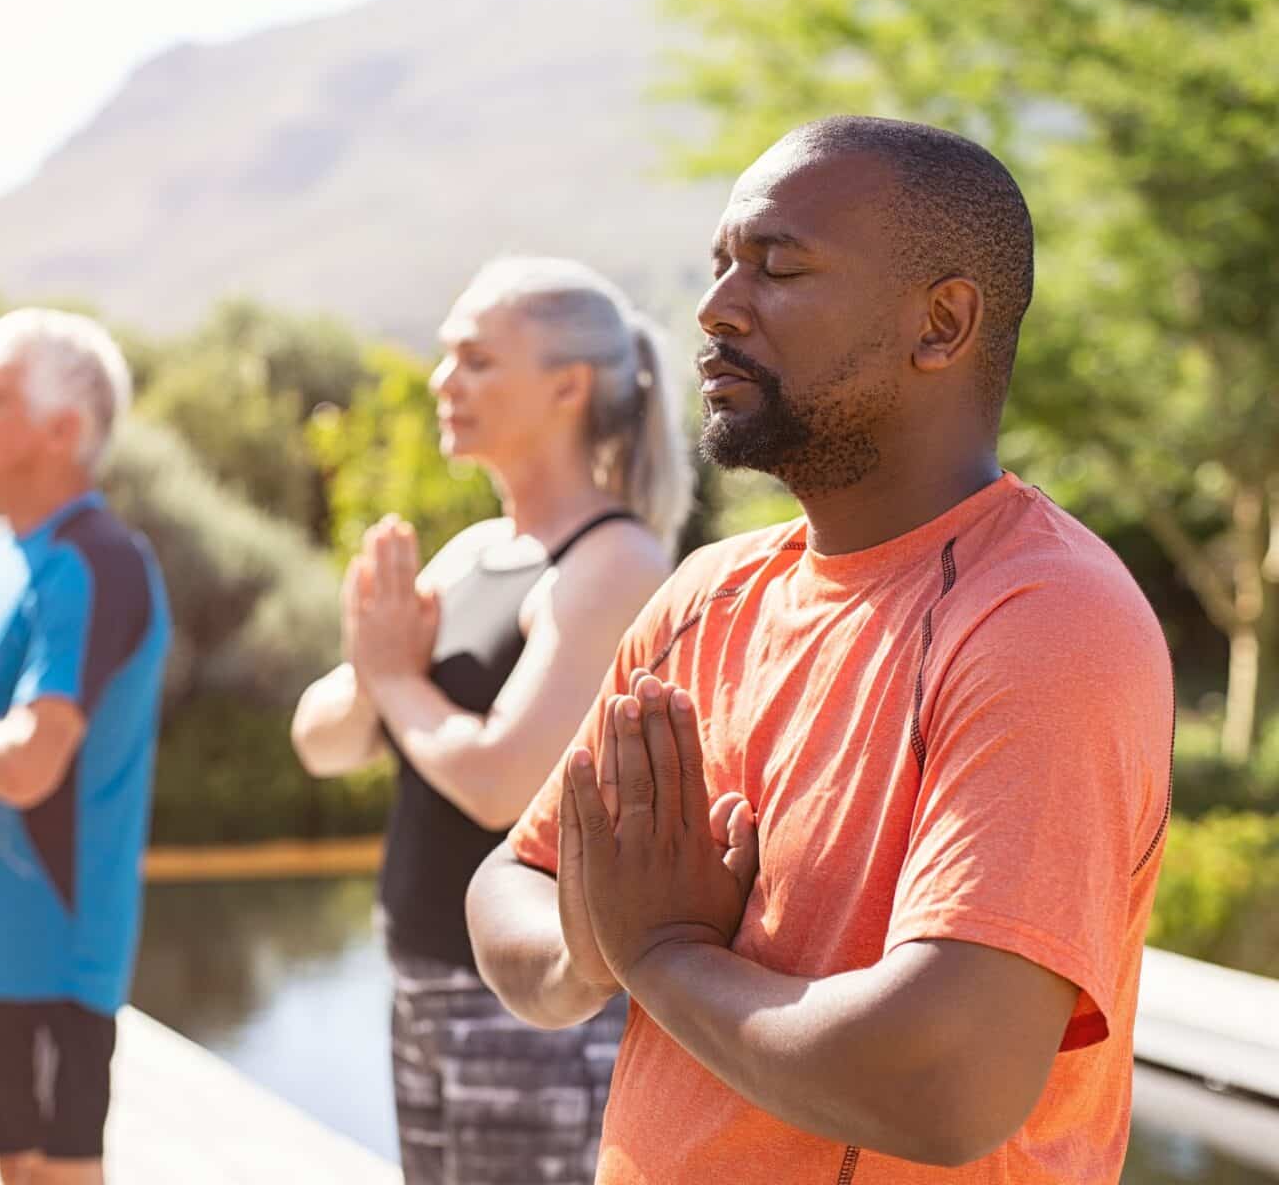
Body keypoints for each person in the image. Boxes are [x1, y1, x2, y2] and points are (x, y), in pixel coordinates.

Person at [467, 117, 1175, 1184]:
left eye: (775, 265)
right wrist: (594, 946)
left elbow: (946, 1079)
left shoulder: (1041, 618)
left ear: (939, 324)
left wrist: (661, 954)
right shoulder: (708, 595)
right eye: (717, 266)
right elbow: (509, 882)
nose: (714, 309)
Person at [290, 257, 692, 1185]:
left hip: (532, 1008)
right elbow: (323, 741)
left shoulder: (614, 562)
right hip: (427, 984)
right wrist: (376, 675)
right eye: (446, 358)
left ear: (567, 386)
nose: (443, 382)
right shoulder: (475, 552)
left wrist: (391, 678)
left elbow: (501, 784)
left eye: (475, 360)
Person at [0, 310, 171, 1185]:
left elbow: (30, 765)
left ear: (63, 431)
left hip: (47, 960)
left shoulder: (95, 561)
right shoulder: (18, 558)